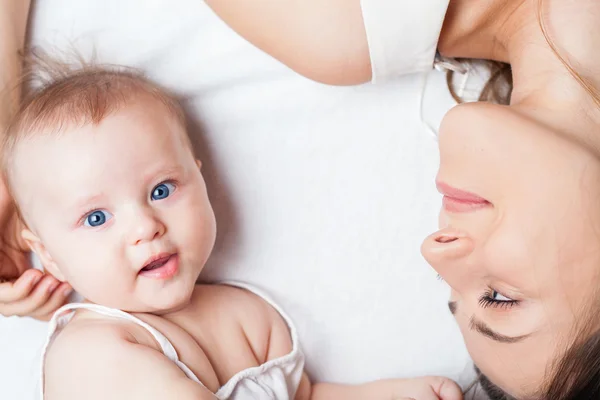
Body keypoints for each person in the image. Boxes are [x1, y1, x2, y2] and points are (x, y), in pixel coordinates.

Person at [2, 2, 473, 398]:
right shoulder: (92, 349)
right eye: (97, 217)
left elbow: (304, 395)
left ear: (201, 179)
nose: (145, 226)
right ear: (47, 254)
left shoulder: (248, 316)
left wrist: (384, 394)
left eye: (161, 190)